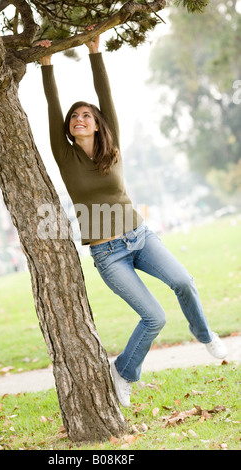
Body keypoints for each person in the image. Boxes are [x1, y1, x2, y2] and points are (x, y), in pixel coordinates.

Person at [37, 33, 228, 408]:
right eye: (74, 117)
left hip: (140, 238)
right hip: (108, 254)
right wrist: (47, 65)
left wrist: (95, 52)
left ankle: (204, 335)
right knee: (154, 318)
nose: (79, 119)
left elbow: (105, 96)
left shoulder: (114, 147)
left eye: (86, 116)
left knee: (184, 282)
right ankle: (124, 371)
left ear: (97, 124)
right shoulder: (65, 155)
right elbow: (51, 104)